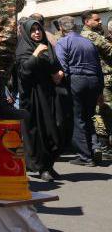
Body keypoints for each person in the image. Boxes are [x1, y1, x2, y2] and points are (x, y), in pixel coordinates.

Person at [16, 18, 63, 181]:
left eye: (39, 29)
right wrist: (36, 53)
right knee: (39, 131)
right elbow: (25, 71)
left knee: (55, 129)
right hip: (33, 96)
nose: (37, 32)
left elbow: (55, 65)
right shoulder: (24, 48)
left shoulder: (47, 46)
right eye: (33, 30)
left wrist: (59, 74)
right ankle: (42, 167)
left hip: (49, 93)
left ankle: (49, 164)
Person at [54, 16, 104, 166]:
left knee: (78, 119)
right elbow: (99, 67)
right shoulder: (88, 42)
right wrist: (100, 89)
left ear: (62, 28)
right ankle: (94, 148)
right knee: (88, 117)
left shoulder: (63, 42)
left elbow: (62, 66)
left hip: (76, 80)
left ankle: (85, 157)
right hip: (93, 81)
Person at [80, 11, 112, 157]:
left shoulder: (89, 34)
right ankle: (104, 145)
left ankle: (103, 144)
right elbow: (109, 50)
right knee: (103, 109)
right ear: (87, 22)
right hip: (103, 77)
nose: (100, 22)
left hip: (99, 76)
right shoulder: (91, 35)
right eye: (96, 19)